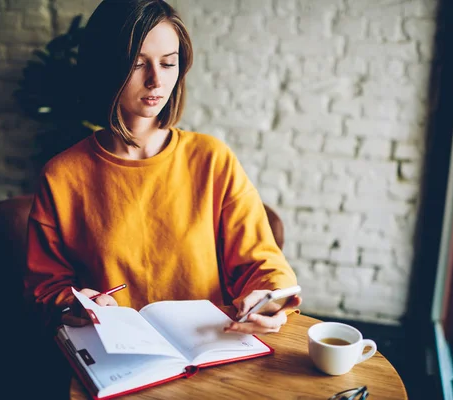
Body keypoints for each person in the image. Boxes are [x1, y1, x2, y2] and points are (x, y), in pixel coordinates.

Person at [24, 0, 301, 337]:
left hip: (208, 344)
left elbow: (264, 263)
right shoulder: (62, 175)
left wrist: (269, 297)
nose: (156, 81)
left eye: (168, 63)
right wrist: (74, 302)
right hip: (117, 352)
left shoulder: (212, 158)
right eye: (138, 64)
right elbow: (45, 288)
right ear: (103, 68)